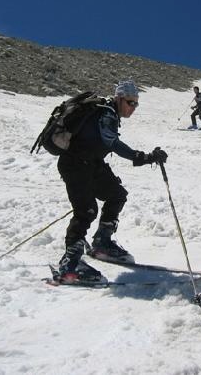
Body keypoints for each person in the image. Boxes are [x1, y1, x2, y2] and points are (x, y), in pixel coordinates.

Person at [57, 80, 168, 283]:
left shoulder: (108, 113)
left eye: (136, 103)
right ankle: (69, 265)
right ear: (119, 98)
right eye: (130, 102)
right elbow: (112, 142)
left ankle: (102, 242)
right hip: (75, 165)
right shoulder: (107, 113)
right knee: (86, 211)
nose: (133, 107)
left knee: (116, 195)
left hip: (91, 164)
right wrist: (144, 157)